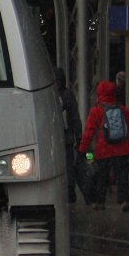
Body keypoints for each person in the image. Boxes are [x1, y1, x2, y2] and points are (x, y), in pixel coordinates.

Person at [77, 80, 129, 211]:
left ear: (99, 93)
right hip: (122, 150)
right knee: (122, 177)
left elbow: (89, 132)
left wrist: (82, 150)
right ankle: (124, 201)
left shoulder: (96, 110)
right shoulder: (123, 109)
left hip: (103, 150)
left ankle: (100, 202)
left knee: (101, 177)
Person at [54, 67, 82, 202]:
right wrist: (78, 135)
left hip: (52, 140)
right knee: (68, 164)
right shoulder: (68, 94)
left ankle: (58, 191)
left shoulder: (49, 94)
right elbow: (75, 117)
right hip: (67, 138)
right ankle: (70, 191)